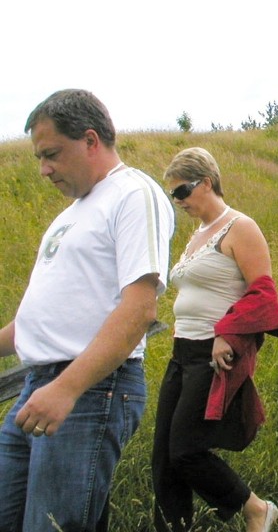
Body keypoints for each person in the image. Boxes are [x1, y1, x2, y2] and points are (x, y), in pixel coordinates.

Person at [0, 89, 175, 531]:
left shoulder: (133, 193)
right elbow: (34, 324)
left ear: (91, 140)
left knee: (51, 526)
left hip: (91, 389)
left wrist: (67, 388)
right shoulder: (71, 215)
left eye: (52, 154)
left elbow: (139, 309)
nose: (44, 170)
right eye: (40, 158)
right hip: (37, 386)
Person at [152, 147, 278, 532]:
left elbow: (263, 293)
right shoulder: (197, 235)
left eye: (181, 192)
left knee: (185, 451)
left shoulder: (240, 227)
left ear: (207, 182)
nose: (177, 201)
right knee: (164, 456)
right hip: (183, 352)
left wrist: (226, 334)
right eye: (172, 195)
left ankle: (256, 508)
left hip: (212, 356)